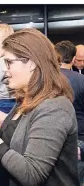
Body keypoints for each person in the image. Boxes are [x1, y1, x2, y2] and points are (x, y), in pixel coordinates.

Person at [0, 28, 79, 186]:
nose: (4, 69)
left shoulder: (55, 107)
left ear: (31, 63)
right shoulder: (25, 100)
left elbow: (32, 174)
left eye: (9, 62)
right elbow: (19, 144)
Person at [55, 40, 84, 184]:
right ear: (73, 59)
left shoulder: (46, 79)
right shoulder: (81, 80)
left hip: (52, 136)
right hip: (78, 136)